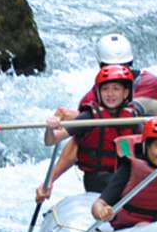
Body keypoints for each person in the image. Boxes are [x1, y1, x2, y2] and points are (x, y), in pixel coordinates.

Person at [38, 65, 142, 197]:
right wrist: (50, 128)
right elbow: (51, 141)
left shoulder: (132, 117)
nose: (110, 94)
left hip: (124, 175)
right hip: (97, 178)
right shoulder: (89, 117)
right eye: (105, 89)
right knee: (122, 183)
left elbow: (146, 146)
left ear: (126, 93)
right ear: (99, 92)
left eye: (116, 89)